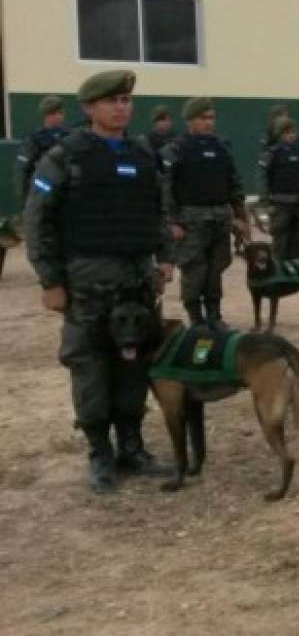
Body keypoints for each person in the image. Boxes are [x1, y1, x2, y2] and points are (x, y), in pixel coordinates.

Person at [23, 70, 175, 493]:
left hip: (137, 281)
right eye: (112, 101)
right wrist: (50, 279)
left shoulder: (143, 153)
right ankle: (100, 454)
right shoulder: (64, 155)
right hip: (87, 280)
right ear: (89, 107)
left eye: (127, 100)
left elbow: (158, 209)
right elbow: (37, 220)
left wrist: (165, 258)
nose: (121, 107)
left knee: (133, 362)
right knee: (89, 364)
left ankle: (132, 447)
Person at [160, 98, 247, 328]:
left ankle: (214, 315)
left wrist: (239, 216)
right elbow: (164, 189)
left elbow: (234, 183)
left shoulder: (222, 148)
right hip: (190, 221)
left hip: (220, 218)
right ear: (190, 120)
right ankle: (196, 318)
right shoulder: (175, 150)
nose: (209, 123)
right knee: (193, 270)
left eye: (211, 118)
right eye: (203, 118)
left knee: (215, 269)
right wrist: (172, 222)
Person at [258, 118, 299, 260]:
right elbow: (263, 179)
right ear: (280, 135)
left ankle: (292, 273)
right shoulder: (272, 154)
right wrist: (266, 202)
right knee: (280, 243)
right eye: (287, 133)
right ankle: (278, 274)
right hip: (280, 205)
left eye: (293, 132)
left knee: (297, 242)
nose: (291, 135)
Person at [14, 95, 70, 202]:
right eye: (55, 113)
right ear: (46, 115)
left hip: (66, 190)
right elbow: (23, 168)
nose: (59, 116)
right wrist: (25, 194)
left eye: (61, 113)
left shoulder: (69, 136)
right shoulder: (34, 139)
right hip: (44, 188)